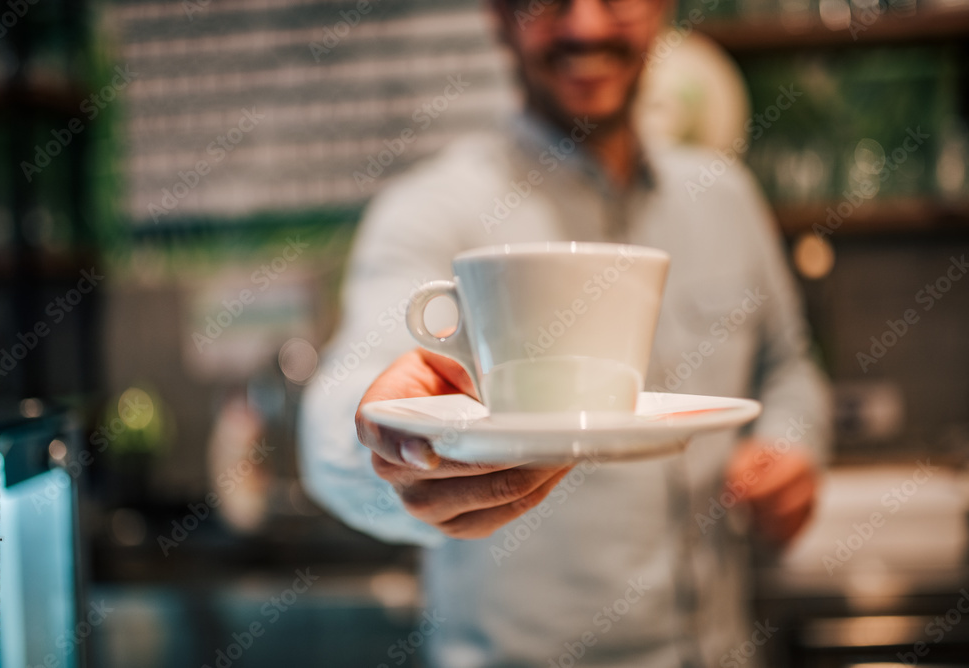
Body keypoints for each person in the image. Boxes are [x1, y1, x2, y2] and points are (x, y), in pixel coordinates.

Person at [301, 0, 832, 665]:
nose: (585, 26)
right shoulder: (432, 211)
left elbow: (788, 367)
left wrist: (792, 445)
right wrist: (385, 453)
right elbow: (341, 407)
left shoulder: (724, 197)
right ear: (498, 16)